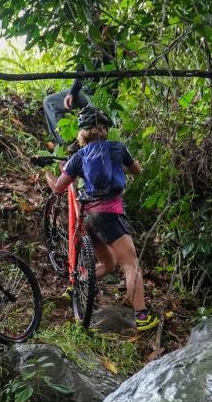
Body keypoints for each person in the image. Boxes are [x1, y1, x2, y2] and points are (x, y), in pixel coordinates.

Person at [44, 106, 158, 331]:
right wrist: (119, 167)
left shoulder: (78, 156)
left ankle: (77, 284)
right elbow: (137, 171)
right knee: (130, 264)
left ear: (83, 133)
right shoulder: (118, 148)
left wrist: (47, 174)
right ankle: (142, 317)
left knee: (108, 264)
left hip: (89, 217)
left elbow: (58, 188)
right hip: (110, 214)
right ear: (105, 130)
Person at [43, 26, 117, 147]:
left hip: (102, 94)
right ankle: (66, 145)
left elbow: (112, 65)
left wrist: (106, 41)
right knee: (50, 102)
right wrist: (71, 93)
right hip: (84, 91)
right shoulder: (85, 43)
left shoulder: (109, 40)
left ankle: (96, 149)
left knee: (97, 122)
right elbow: (80, 71)